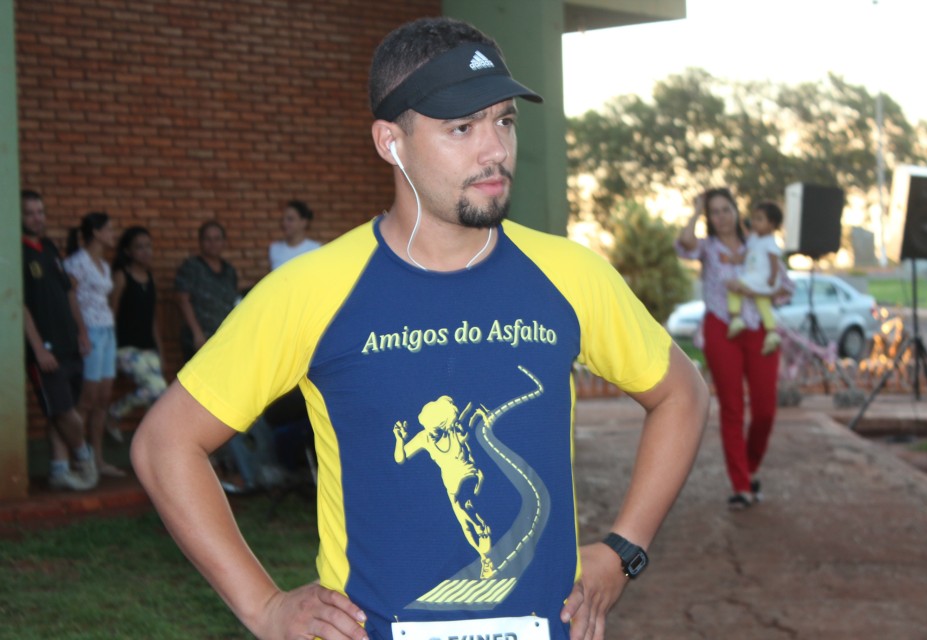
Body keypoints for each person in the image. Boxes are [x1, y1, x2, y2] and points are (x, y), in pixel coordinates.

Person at [132, 17, 708, 640]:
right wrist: (264, 606)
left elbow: (682, 393)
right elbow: (166, 444)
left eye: (504, 121)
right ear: (390, 141)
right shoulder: (314, 290)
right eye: (461, 127)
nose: (495, 150)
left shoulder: (570, 275)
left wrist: (625, 549)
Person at [676, 189, 789, 509]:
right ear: (709, 218)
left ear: (737, 211)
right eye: (715, 212)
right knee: (732, 408)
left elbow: (783, 286)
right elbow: (685, 243)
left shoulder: (758, 242)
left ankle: (750, 467)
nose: (722, 217)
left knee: (765, 410)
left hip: (760, 331)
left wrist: (764, 287)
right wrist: (695, 210)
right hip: (721, 329)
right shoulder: (708, 248)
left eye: (726, 209)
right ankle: (741, 485)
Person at [21, 190, 99, 491]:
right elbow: (19, 304)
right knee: (65, 412)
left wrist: (81, 332)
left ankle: (59, 469)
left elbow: (69, 293)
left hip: (70, 344)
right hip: (45, 351)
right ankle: (85, 460)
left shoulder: (49, 247)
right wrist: (38, 348)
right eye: (30, 213)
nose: (37, 218)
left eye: (40, 211)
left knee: (59, 411)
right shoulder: (16, 253)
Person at [64, 211, 123, 478]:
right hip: (90, 331)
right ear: (97, 232)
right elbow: (69, 296)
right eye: (109, 230)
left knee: (102, 398)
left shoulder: (105, 265)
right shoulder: (78, 262)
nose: (113, 234)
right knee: (86, 399)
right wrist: (81, 332)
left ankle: (98, 460)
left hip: (107, 331)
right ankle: (76, 458)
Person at [107, 226, 168, 437]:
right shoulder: (121, 276)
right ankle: (115, 411)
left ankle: (153, 442)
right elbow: (111, 314)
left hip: (148, 348)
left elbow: (152, 319)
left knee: (160, 398)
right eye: (139, 247)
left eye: (148, 246)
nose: (146, 251)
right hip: (124, 348)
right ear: (128, 252)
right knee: (157, 389)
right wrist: (109, 349)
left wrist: (160, 351)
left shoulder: (151, 278)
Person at [173, 220, 238, 361]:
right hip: (198, 339)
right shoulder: (191, 267)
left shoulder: (229, 270)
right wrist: (197, 333)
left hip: (222, 339)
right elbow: (182, 300)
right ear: (200, 242)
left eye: (217, 239)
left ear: (224, 242)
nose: (212, 243)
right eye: (207, 239)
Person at [726, 202, 785, 355]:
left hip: (761, 278)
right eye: (754, 219)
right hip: (755, 278)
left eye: (759, 219)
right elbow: (746, 255)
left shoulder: (770, 242)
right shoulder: (754, 238)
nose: (754, 222)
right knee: (763, 303)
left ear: (771, 224)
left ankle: (735, 317)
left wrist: (772, 277)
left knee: (733, 285)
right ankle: (772, 332)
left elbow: (774, 262)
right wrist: (735, 259)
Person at [268, 199, 322, 270]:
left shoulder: (315, 249)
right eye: (283, 219)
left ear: (303, 222)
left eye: (290, 219)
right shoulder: (275, 249)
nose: (284, 223)